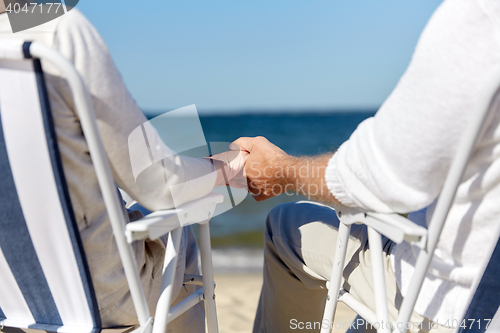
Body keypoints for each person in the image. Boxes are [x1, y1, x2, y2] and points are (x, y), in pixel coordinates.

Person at [234, 0, 500, 332]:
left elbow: (380, 176)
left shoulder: (481, 18)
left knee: (284, 226)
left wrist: (282, 171)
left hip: (450, 302)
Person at [0, 4, 246, 331]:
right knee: (180, 236)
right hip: (102, 291)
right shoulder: (54, 29)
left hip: (11, 298)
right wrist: (225, 167)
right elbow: (160, 185)